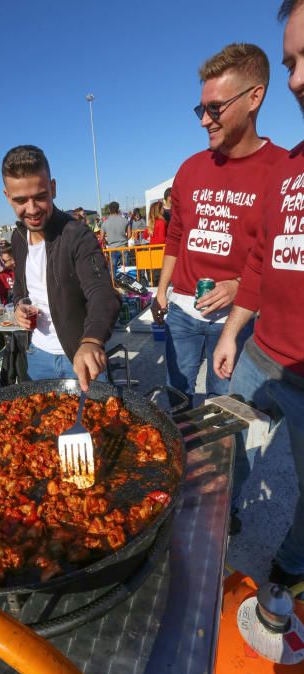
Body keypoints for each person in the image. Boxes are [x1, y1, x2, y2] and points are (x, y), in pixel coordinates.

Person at [213, 1, 304, 585]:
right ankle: (225, 519)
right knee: (224, 443)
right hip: (261, 353)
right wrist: (230, 332)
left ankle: (292, 567)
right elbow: (259, 263)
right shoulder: (289, 170)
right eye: (293, 61)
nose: (297, 78)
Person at [151, 43, 286, 408]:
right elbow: (176, 236)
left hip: (238, 320)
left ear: (254, 97)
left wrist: (238, 286)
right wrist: (162, 291)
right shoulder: (190, 168)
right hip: (182, 311)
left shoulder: (283, 171)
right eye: (201, 108)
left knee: (223, 411)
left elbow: (280, 260)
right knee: (176, 402)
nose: (203, 120)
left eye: (215, 108)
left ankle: (216, 466)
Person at [2, 145, 120, 390]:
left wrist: (91, 341)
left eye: (41, 196)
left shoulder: (77, 234)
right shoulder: (17, 237)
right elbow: (20, 288)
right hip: (36, 356)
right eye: (21, 200)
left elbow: (103, 294)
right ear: (7, 197)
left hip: (77, 356)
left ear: (53, 188)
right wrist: (18, 308)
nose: (32, 209)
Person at [101, 201, 129, 271]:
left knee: (112, 270)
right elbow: (130, 234)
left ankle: (113, 281)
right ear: (118, 209)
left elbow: (101, 238)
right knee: (125, 269)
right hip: (123, 247)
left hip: (112, 248)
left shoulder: (104, 223)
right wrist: (124, 240)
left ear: (109, 210)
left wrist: (107, 243)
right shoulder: (125, 220)